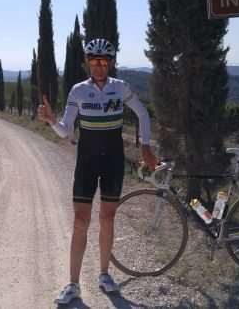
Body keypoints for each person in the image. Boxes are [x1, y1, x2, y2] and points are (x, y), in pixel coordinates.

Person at [37, 38, 157, 305]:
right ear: (87, 62)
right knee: (81, 221)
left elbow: (143, 114)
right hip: (87, 161)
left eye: (104, 61)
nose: (99, 66)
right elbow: (66, 131)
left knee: (107, 217)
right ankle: (72, 284)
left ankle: (104, 274)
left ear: (111, 62)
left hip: (113, 160)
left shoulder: (120, 88)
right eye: (94, 61)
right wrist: (51, 121)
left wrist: (146, 147)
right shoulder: (78, 91)